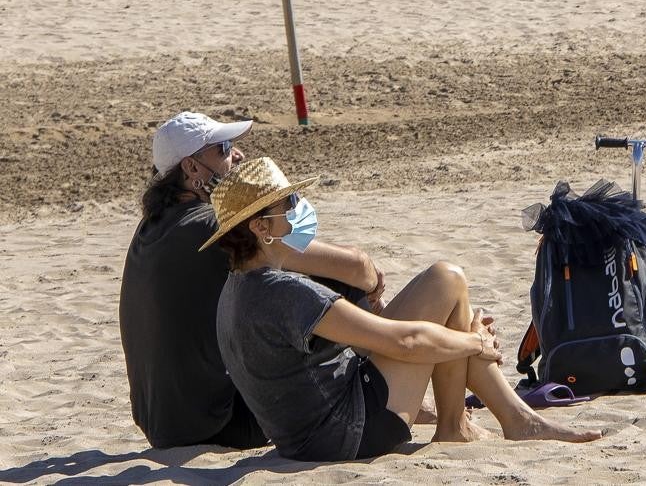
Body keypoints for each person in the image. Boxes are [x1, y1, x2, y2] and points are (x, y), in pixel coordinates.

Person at [203, 157, 603, 461]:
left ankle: (468, 424)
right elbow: (406, 342)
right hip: (348, 431)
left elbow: (364, 343)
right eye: (286, 203)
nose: (294, 208)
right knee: (448, 288)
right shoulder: (280, 291)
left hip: (307, 433)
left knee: (446, 284)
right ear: (259, 228)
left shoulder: (233, 289)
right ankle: (491, 422)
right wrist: (471, 342)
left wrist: (460, 337)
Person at [118, 112, 392, 449]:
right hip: (219, 423)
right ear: (191, 169)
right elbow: (352, 268)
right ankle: (392, 395)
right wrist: (369, 280)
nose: (238, 155)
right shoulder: (210, 228)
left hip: (165, 425)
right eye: (224, 148)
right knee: (334, 287)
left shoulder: (150, 229)